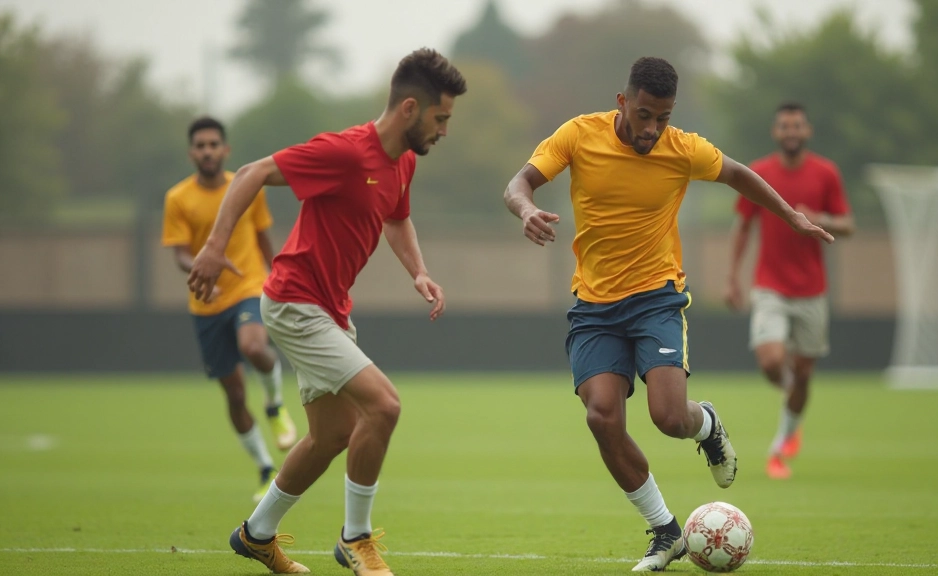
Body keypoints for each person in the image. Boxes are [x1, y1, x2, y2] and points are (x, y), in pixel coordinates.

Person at [504, 58, 833, 572]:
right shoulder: (579, 135)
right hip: (593, 306)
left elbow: (739, 175)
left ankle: (708, 426)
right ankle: (665, 532)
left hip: (656, 297)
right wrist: (525, 208)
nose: (652, 128)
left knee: (669, 418)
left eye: (663, 116)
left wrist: (790, 215)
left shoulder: (683, 148)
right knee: (601, 417)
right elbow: (518, 182)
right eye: (644, 115)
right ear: (622, 102)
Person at [187, 48, 467, 576]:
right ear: (410, 108)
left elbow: (397, 218)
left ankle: (256, 535)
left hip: (330, 310)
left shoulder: (403, 160)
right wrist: (215, 246)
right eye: (441, 118)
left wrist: (419, 271)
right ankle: (355, 540)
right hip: (295, 302)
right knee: (383, 406)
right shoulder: (344, 152)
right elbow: (250, 172)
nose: (444, 130)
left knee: (331, 436)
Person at [161, 116, 298, 503]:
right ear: (192, 153)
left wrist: (278, 278)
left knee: (255, 347)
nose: (207, 151)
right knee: (235, 396)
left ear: (226, 150)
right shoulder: (178, 199)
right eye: (200, 145)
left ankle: (274, 406)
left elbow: (262, 235)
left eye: (213, 144)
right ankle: (265, 468)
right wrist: (203, 267)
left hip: (248, 287)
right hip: (206, 304)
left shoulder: (248, 185)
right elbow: (181, 255)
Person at [724, 102, 855, 480]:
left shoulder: (825, 173)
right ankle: (788, 390)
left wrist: (821, 219)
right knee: (770, 360)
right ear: (775, 132)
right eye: (785, 126)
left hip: (812, 291)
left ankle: (783, 441)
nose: (791, 131)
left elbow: (848, 225)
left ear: (807, 131)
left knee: (805, 373)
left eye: (797, 125)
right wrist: (733, 276)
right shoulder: (761, 172)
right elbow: (743, 226)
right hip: (770, 287)